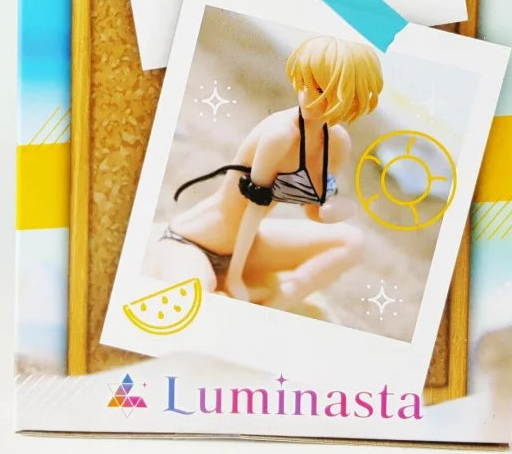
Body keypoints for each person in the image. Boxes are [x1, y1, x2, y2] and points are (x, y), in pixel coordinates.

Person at [146, 35, 383, 311]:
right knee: (196, 297)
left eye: (319, 89)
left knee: (353, 243)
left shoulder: (337, 142)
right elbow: (253, 209)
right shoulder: (279, 134)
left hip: (250, 247)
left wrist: (338, 210)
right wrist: (234, 278)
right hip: (194, 241)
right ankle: (235, 289)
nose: (306, 96)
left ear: (349, 98)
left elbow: (314, 210)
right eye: (304, 82)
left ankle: (278, 302)